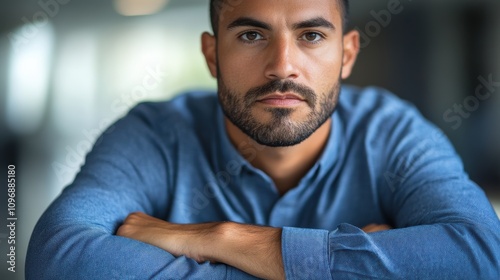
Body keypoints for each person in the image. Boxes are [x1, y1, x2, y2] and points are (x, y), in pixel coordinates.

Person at [27, 0, 500, 279]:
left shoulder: (395, 133)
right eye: (252, 35)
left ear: (347, 54)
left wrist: (221, 238)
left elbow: (480, 254)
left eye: (312, 35)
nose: (282, 66)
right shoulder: (155, 135)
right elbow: (58, 258)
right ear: (212, 55)